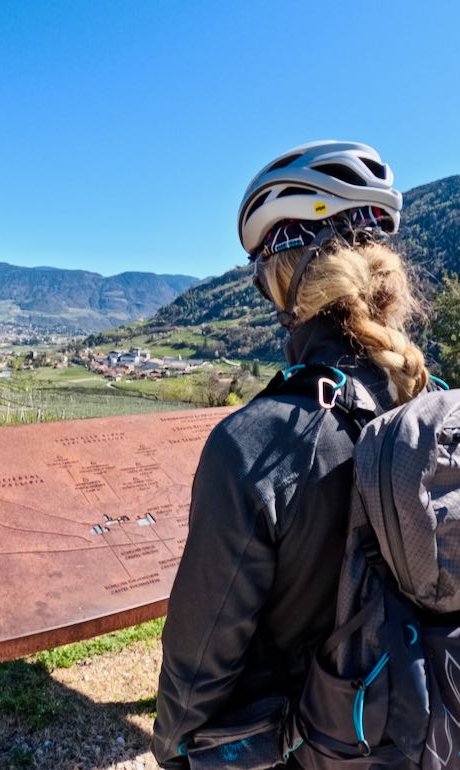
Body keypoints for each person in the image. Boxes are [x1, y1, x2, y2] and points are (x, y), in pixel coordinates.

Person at [152, 141, 431, 768]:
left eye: (258, 276)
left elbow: (200, 658)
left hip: (302, 744)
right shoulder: (425, 404)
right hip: (408, 731)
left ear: (286, 277)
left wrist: (172, 751)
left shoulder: (257, 443)